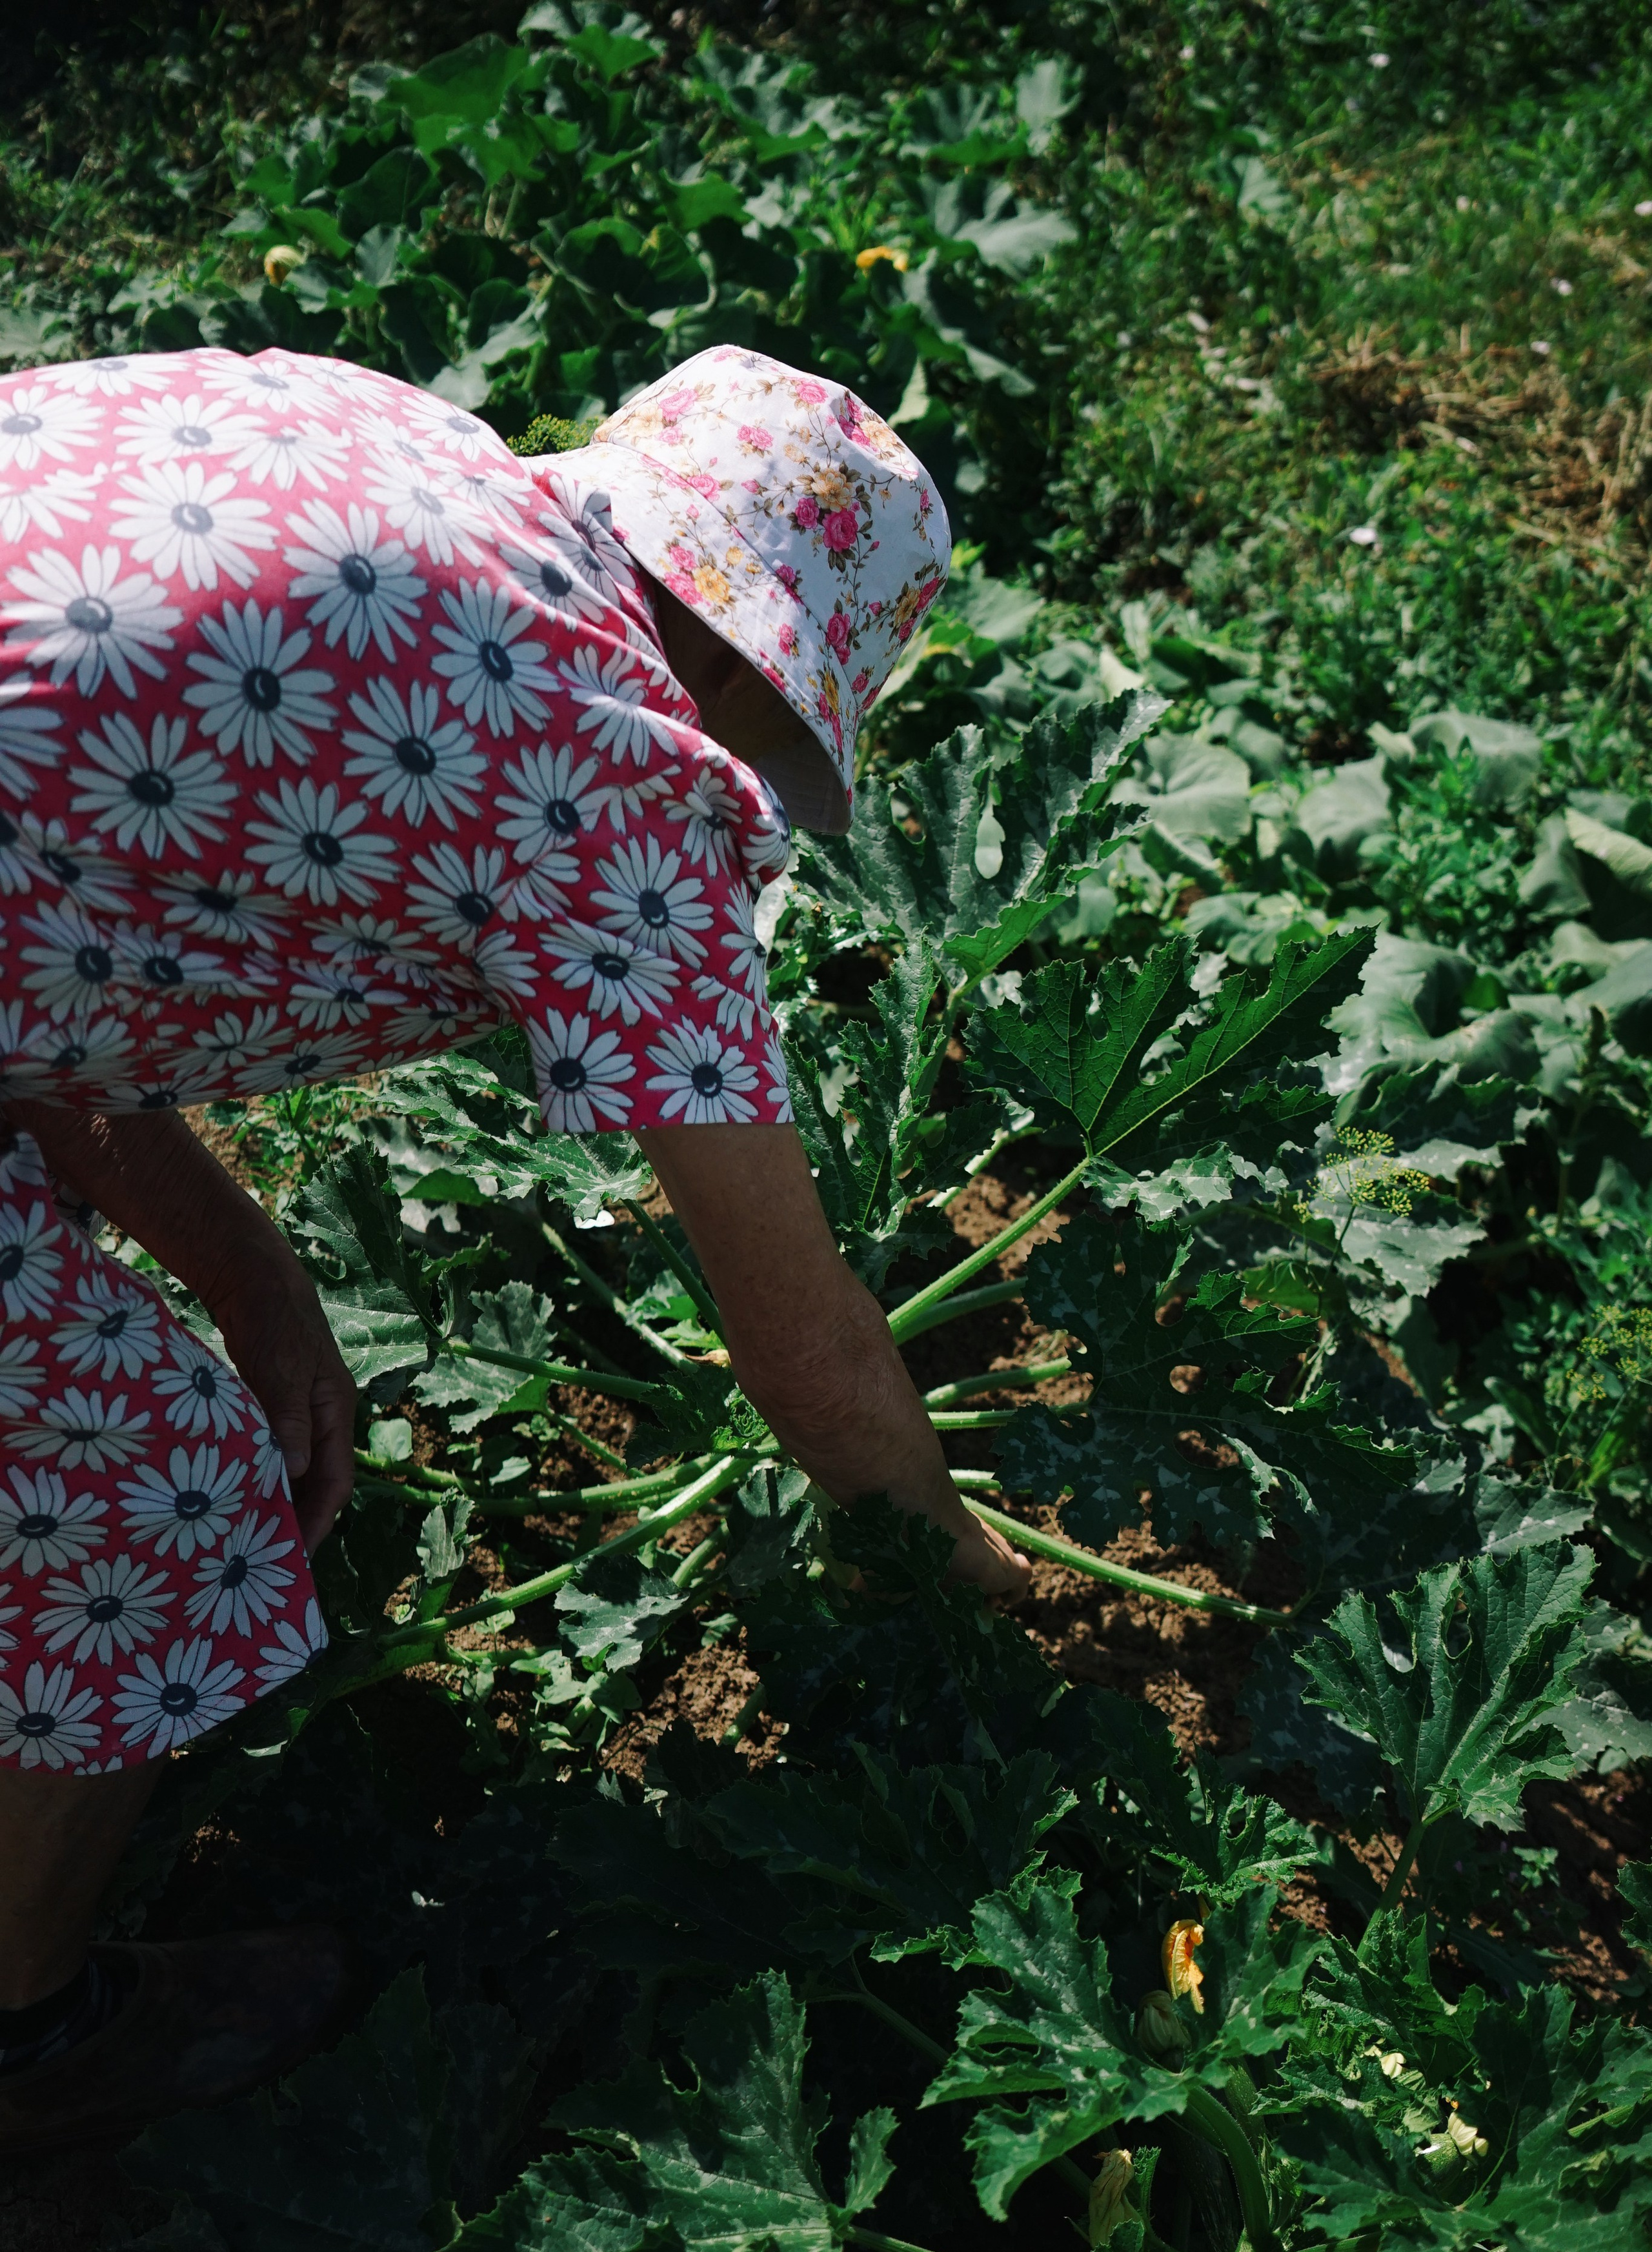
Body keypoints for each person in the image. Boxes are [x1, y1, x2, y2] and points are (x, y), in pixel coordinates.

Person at [0, 341, 1029, 2150]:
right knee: (156, 1510)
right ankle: (28, 2023)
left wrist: (250, 1266)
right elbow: (808, 1361)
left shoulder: (404, 445)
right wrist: (1002, 1629)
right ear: (735, 656)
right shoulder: (619, 770)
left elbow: (57, 906)